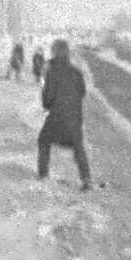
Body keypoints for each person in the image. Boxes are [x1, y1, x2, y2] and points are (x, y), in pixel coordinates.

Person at [38, 39, 92, 190]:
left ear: (54, 52)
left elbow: (47, 100)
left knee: (43, 140)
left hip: (57, 117)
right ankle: (86, 177)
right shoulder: (76, 72)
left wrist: (50, 103)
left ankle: (43, 175)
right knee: (78, 145)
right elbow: (82, 92)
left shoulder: (51, 72)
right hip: (74, 118)